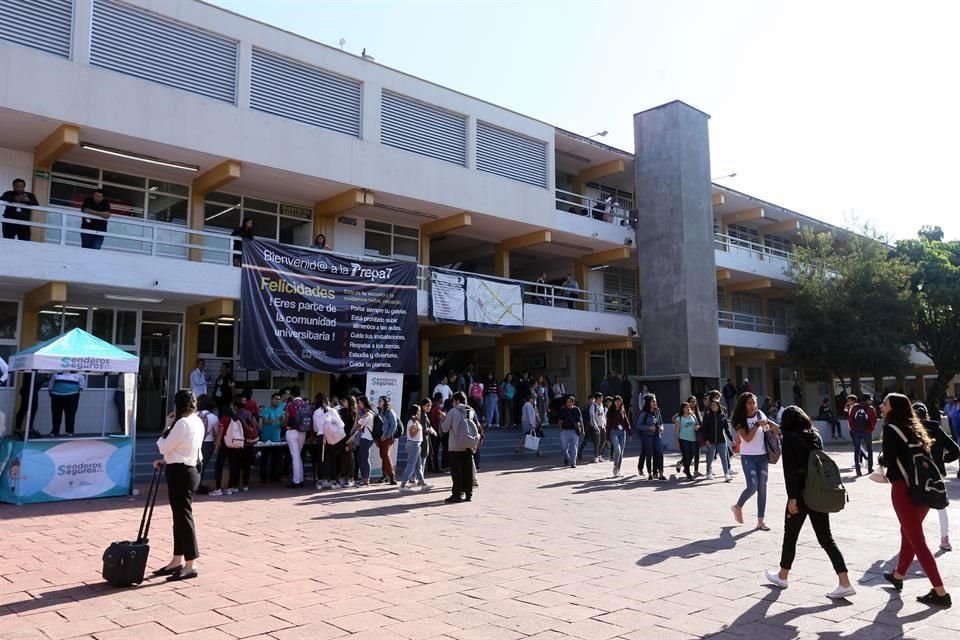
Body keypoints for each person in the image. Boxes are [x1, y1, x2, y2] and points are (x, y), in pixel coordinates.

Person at [765, 406, 855, 599]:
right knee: (826, 538)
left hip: (800, 493)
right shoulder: (815, 436)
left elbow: (790, 471)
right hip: (818, 491)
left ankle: (783, 575)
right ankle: (844, 581)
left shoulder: (789, 438)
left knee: (790, 535)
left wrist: (792, 497)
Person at [880, 393, 952, 607]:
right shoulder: (915, 428)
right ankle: (899, 575)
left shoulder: (891, 429)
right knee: (908, 532)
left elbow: (889, 460)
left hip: (903, 489)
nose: (881, 406)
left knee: (917, 541)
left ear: (894, 408)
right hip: (924, 489)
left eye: (885, 403)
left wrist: (881, 459)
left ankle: (940, 592)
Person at [152, 389, 204, 582]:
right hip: (189, 469)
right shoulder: (196, 421)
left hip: (181, 472)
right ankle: (177, 560)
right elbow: (184, 448)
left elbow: (164, 445)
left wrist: (167, 425)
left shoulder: (182, 423)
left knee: (183, 518)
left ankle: (190, 564)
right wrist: (167, 460)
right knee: (180, 518)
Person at [913, 402, 959, 552]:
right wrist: (943, 460)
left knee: (916, 506)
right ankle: (945, 539)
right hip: (938, 472)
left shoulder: (912, 430)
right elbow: (955, 449)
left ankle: (913, 539)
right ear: (926, 414)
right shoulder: (937, 428)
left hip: (918, 473)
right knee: (941, 506)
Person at [731, 392, 778, 531]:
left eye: (754, 402)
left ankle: (760, 521)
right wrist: (757, 425)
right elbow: (747, 439)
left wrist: (773, 427)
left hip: (763, 456)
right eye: (749, 403)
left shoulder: (760, 414)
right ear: (743, 405)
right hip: (748, 457)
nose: (753, 406)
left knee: (762, 488)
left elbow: (770, 425)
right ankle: (737, 506)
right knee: (752, 486)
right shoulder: (740, 420)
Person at [439, 392, 477, 503]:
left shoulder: (453, 411)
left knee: (457, 472)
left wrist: (443, 418)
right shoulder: (471, 411)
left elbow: (445, 428)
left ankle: (457, 494)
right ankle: (468, 493)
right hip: (469, 444)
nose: (453, 403)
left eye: (453, 401)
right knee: (467, 470)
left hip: (455, 446)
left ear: (457, 400)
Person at [399, 404, 431, 491]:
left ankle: (422, 483)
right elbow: (412, 435)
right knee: (411, 465)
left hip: (417, 444)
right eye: (418, 411)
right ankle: (402, 485)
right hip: (413, 444)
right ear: (415, 412)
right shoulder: (411, 421)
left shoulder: (415, 421)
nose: (420, 413)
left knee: (418, 466)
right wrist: (417, 427)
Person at [284, 387, 310, 488]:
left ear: (291, 395)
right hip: (303, 431)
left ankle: (296, 481)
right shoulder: (305, 404)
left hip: (292, 431)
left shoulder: (290, 405)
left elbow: (286, 418)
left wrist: (285, 424)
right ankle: (301, 479)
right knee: (298, 455)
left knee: (295, 456)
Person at [702, 395, 733, 481]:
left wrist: (731, 439)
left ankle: (726, 474)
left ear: (718, 406)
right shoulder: (707, 416)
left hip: (721, 440)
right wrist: (706, 440)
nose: (713, 406)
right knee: (710, 457)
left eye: (714, 405)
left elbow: (727, 429)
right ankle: (708, 473)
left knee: (724, 457)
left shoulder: (722, 416)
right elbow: (704, 429)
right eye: (712, 405)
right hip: (710, 440)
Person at [635, 394, 665, 480]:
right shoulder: (644, 413)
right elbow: (638, 425)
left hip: (657, 435)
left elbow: (661, 423)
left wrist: (661, 428)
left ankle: (661, 473)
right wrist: (648, 428)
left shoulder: (657, 411)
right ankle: (650, 473)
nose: (655, 403)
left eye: (655, 401)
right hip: (647, 436)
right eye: (653, 401)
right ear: (649, 403)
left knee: (660, 452)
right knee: (649, 454)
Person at [848, 394, 878, 476]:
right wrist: (870, 429)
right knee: (869, 450)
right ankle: (870, 468)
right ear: (867, 400)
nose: (870, 401)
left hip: (856, 431)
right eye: (869, 400)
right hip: (867, 432)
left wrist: (853, 429)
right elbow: (874, 420)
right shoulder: (870, 409)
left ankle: (858, 469)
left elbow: (850, 419)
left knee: (857, 450)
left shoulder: (854, 407)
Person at [258, 393, 285, 484]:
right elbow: (265, 421)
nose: (278, 401)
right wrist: (277, 419)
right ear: (271, 400)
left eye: (279, 399)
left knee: (277, 459)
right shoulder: (266, 410)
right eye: (276, 399)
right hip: (266, 438)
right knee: (264, 459)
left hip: (277, 438)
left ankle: (275, 477)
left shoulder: (281, 411)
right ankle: (263, 478)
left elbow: (283, 425)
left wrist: (283, 420)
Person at [195, 395, 220, 493]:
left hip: (194, 442)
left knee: (193, 463)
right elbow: (216, 433)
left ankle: (193, 484)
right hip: (208, 443)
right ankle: (198, 484)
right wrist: (217, 446)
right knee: (203, 465)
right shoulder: (214, 417)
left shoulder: (193, 416)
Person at [48, 371, 84, 437]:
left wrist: (79, 392)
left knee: (70, 414)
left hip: (72, 396)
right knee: (56, 414)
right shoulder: (57, 372)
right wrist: (51, 391)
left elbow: (82, 384)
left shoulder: (78, 374)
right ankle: (55, 432)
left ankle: (70, 431)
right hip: (57, 395)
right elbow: (51, 383)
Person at [376, 396, 398, 485]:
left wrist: (386, 436)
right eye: (378, 400)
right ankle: (384, 475)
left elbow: (394, 425)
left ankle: (392, 477)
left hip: (388, 438)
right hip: (380, 437)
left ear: (385, 402)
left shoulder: (389, 412)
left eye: (381, 401)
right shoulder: (379, 411)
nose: (379, 402)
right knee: (383, 456)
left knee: (386, 455)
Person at [606, 395, 630, 477]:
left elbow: (626, 421)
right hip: (613, 432)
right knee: (617, 450)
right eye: (616, 401)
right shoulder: (610, 411)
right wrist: (607, 438)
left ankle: (618, 470)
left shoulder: (622, 410)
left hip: (622, 432)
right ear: (614, 402)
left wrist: (629, 432)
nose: (618, 403)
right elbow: (608, 425)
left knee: (621, 452)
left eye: (619, 401)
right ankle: (615, 466)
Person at [354, 396, 376, 486]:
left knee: (364, 459)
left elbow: (357, 426)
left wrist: (357, 416)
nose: (358, 405)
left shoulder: (367, 414)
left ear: (363, 403)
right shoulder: (372, 413)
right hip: (368, 438)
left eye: (359, 403)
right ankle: (364, 479)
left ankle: (366, 480)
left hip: (366, 439)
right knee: (362, 458)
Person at [558, 395, 584, 469]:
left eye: (570, 402)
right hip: (564, 430)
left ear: (573, 402)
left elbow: (581, 420)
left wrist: (583, 430)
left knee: (574, 447)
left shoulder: (576, 409)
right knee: (564, 448)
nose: (568, 403)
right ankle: (566, 457)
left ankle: (573, 462)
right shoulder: (563, 409)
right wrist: (560, 429)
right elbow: (560, 420)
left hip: (574, 430)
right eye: (567, 402)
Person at [675, 402, 699, 481]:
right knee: (686, 456)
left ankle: (684, 467)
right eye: (686, 407)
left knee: (691, 456)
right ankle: (688, 473)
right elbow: (676, 431)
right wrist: (677, 441)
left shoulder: (693, 416)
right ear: (682, 409)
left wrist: (697, 427)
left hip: (693, 439)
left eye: (689, 407)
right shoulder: (679, 418)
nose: (688, 408)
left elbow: (697, 424)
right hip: (683, 439)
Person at [580, 392, 605, 463]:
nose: (602, 399)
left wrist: (604, 424)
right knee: (597, 442)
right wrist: (596, 427)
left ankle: (599, 455)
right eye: (601, 398)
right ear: (597, 398)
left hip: (602, 425)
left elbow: (603, 416)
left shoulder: (601, 405)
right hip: (595, 427)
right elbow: (592, 418)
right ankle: (596, 457)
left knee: (603, 440)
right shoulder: (593, 406)